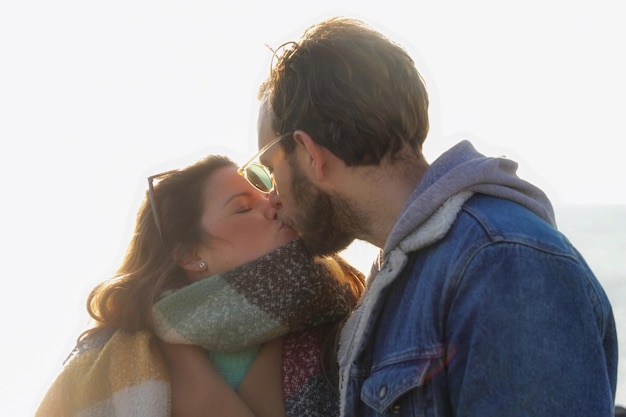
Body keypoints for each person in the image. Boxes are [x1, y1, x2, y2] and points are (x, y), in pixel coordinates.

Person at [239, 17, 619, 416]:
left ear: (311, 154)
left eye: (269, 169)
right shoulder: (407, 270)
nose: (272, 196)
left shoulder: (502, 263)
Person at [35, 154, 365, 417]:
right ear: (192, 256)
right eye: (244, 207)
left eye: (266, 189)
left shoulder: (351, 317)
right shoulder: (108, 364)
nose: (275, 201)